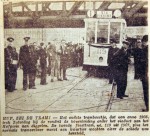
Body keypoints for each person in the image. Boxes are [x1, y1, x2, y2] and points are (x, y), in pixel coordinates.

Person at [139, 35, 148, 111]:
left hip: (145, 75)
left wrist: (141, 75)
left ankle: (148, 107)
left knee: (146, 91)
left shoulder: (144, 50)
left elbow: (142, 64)